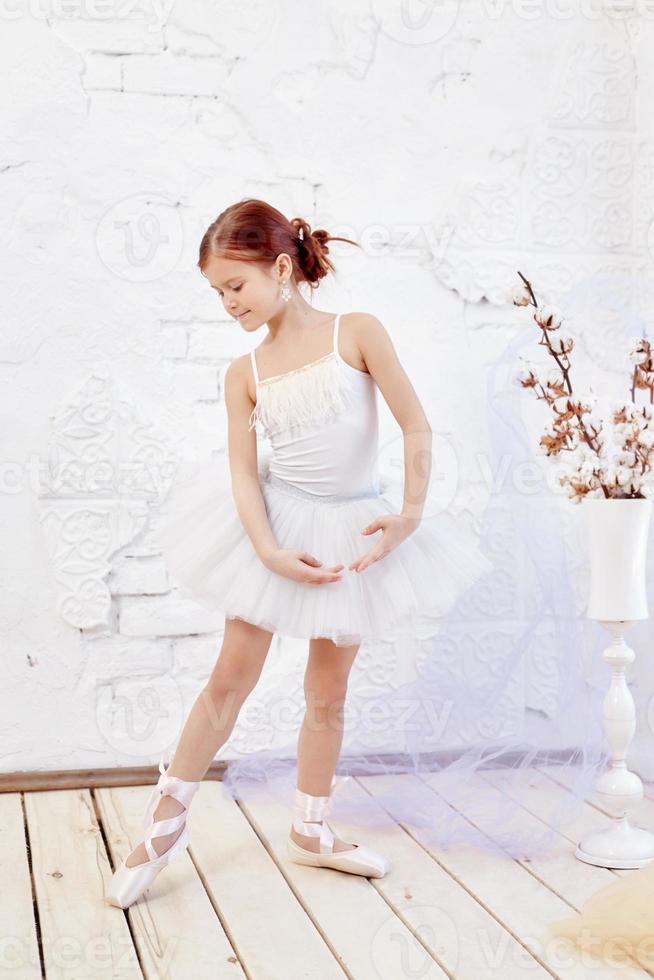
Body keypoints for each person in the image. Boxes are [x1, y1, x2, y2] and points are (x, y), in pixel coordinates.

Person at [106, 197, 492, 909]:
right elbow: (243, 475)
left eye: (236, 286)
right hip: (276, 530)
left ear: (281, 268)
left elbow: (415, 426)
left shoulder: (358, 332)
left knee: (327, 690)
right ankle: (166, 821)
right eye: (217, 292)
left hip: (351, 532)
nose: (227, 303)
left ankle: (311, 828)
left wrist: (407, 516)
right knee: (231, 677)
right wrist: (267, 550)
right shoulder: (243, 373)